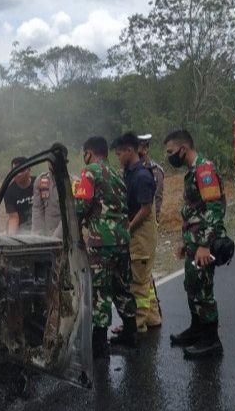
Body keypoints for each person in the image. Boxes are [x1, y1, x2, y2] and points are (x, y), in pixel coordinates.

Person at [164, 129, 226, 358]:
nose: (169, 156)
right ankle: (197, 329)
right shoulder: (192, 172)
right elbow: (193, 211)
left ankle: (211, 340)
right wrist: (186, 241)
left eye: (171, 151)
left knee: (203, 289)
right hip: (194, 241)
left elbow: (214, 208)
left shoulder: (204, 169)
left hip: (204, 243)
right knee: (192, 286)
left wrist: (204, 244)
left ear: (183, 149)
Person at [74, 136, 136, 357]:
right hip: (122, 240)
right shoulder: (117, 176)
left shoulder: (90, 171)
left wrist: (74, 224)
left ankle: (99, 345)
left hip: (101, 243)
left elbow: (81, 205)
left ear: (89, 153)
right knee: (122, 287)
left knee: (100, 291)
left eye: (84, 154)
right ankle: (130, 334)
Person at [112, 132, 162, 333]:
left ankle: (137, 324)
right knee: (145, 277)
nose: (118, 157)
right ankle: (153, 317)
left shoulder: (141, 175)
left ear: (130, 151)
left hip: (141, 232)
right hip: (140, 231)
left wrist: (128, 228)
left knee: (138, 282)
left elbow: (146, 209)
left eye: (119, 153)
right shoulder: (129, 172)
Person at [4, 157, 34, 235]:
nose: (17, 174)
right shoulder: (9, 192)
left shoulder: (38, 183)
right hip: (21, 228)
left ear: (29, 169)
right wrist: (13, 238)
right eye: (15, 171)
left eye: (21, 170)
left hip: (38, 225)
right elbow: (13, 218)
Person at [138, 134, 165, 222]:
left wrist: (156, 219)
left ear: (146, 149)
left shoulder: (156, 170)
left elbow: (158, 196)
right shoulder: (128, 170)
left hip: (148, 220)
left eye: (141, 147)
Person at [31, 167, 63, 237]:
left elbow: (69, 215)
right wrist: (37, 235)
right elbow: (37, 209)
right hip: (47, 236)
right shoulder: (40, 180)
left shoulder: (71, 182)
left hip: (66, 236)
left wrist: (55, 237)